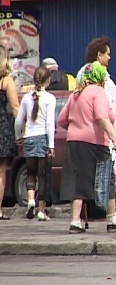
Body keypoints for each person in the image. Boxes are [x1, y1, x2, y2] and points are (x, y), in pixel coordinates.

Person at [58, 61, 116, 234]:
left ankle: (75, 222)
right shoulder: (98, 92)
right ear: (100, 77)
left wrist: (77, 130)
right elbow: (102, 118)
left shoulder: (76, 93)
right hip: (96, 143)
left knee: (78, 180)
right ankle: (112, 219)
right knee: (107, 179)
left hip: (74, 142)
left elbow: (61, 120)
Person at [76, 36, 116, 225]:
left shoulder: (82, 75)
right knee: (107, 177)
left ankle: (81, 217)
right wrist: (114, 136)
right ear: (99, 55)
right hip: (99, 134)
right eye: (107, 54)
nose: (110, 58)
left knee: (85, 177)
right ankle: (111, 218)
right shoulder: (98, 77)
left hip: (88, 134)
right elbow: (104, 109)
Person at [14, 66, 56, 221]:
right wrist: (51, 144)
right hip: (43, 138)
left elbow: (19, 121)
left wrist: (19, 136)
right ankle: (41, 210)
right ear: (48, 80)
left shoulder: (26, 98)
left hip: (29, 138)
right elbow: (50, 123)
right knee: (43, 175)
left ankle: (31, 199)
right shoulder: (50, 99)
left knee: (30, 172)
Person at [0, 45, 19, 220]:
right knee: (1, 172)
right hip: (2, 128)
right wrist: (21, 129)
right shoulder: (6, 81)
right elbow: (14, 107)